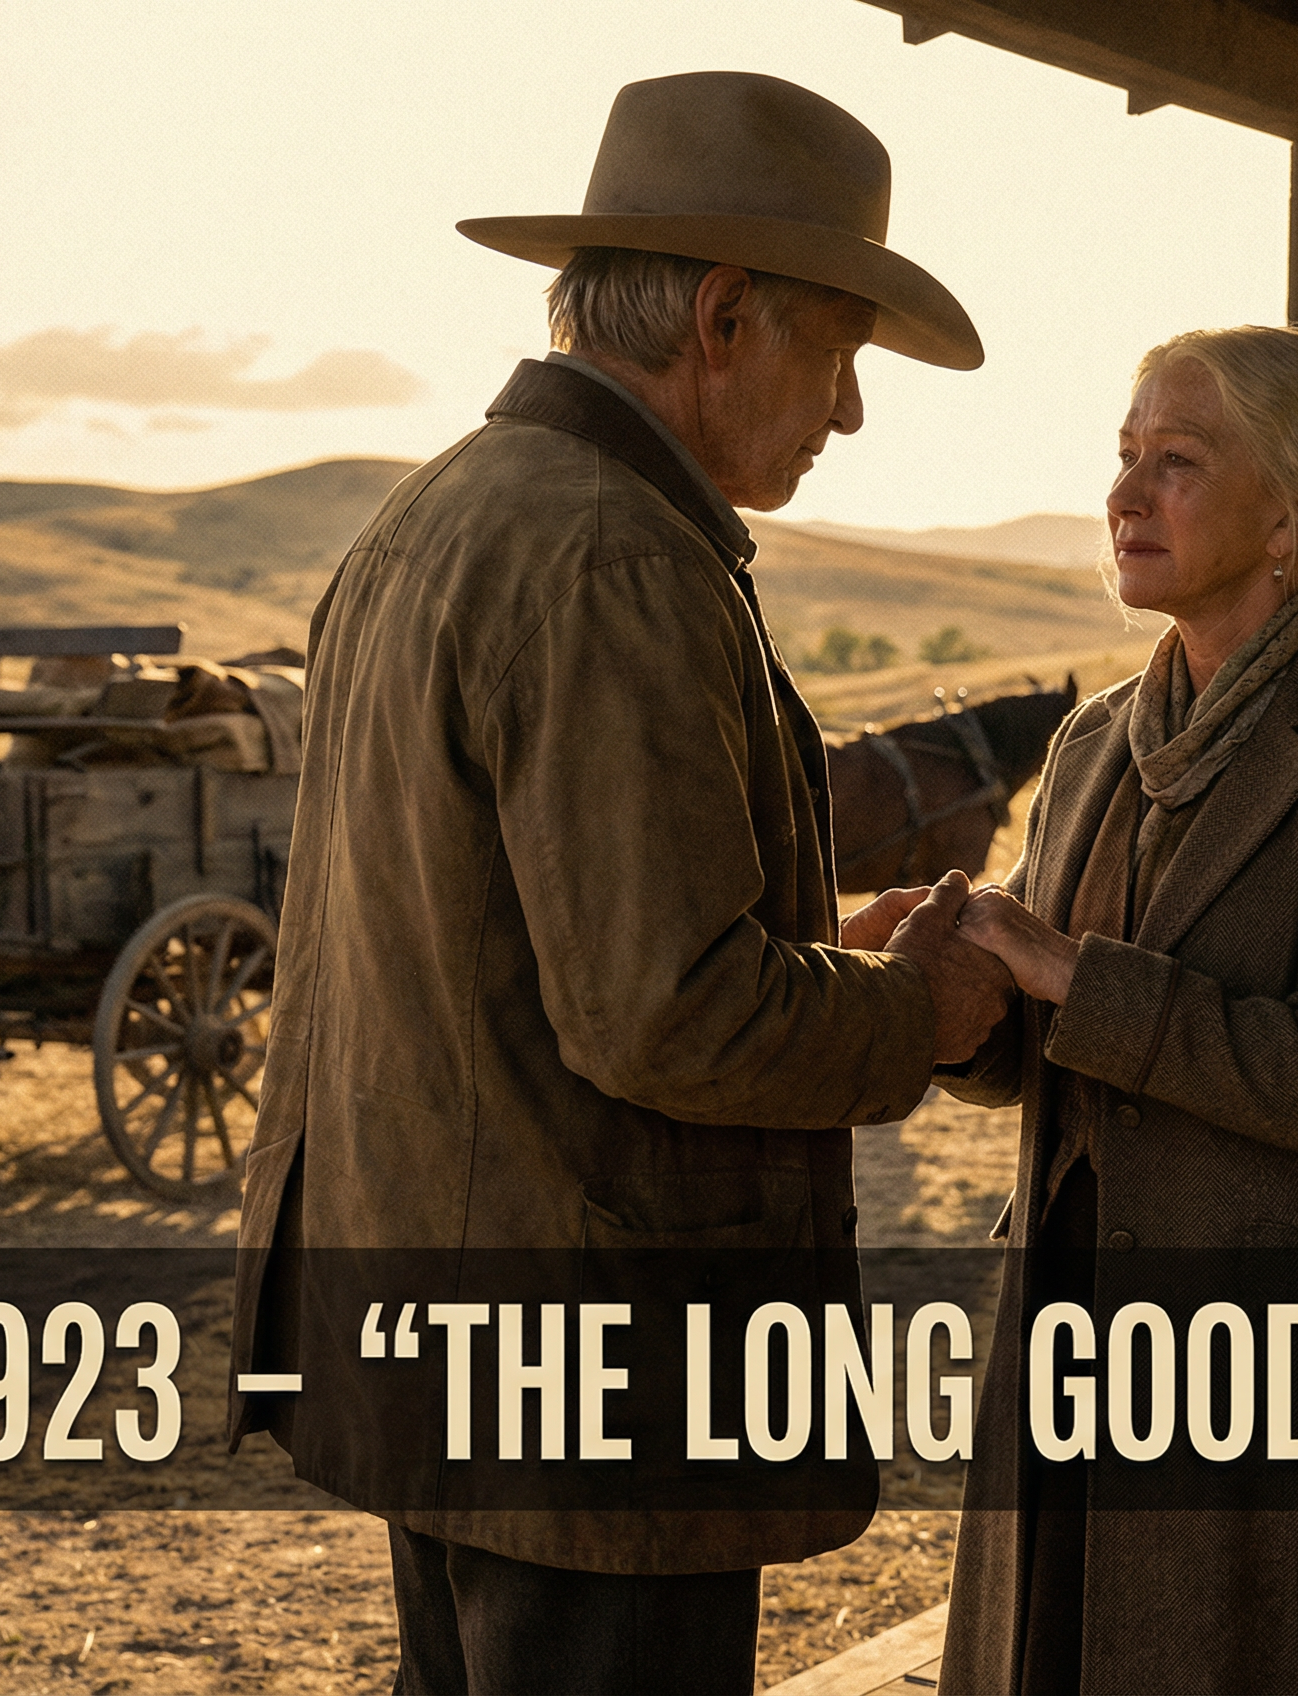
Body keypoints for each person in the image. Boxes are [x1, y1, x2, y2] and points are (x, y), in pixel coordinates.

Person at [225, 71, 1013, 1695]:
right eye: (841, 353)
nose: (849, 412)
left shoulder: (439, 508)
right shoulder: (618, 555)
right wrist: (912, 1008)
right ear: (726, 316)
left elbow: (529, 943)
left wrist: (822, 959)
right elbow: (670, 1016)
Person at [895, 324, 1298, 1692]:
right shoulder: (1088, 745)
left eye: (1178, 462)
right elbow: (1041, 1045)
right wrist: (946, 991)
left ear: (1291, 525)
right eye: (1125, 456)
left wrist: (1069, 971)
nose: (1127, 495)